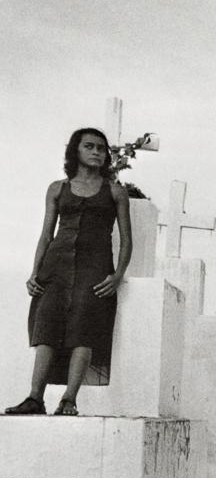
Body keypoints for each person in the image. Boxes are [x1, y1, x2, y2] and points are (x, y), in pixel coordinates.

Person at [5, 128, 131, 417]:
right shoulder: (57, 188)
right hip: (56, 267)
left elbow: (126, 239)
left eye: (101, 148)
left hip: (95, 268)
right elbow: (46, 234)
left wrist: (117, 275)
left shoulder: (114, 191)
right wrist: (34, 273)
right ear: (76, 151)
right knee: (46, 327)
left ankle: (69, 400)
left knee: (83, 330)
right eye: (90, 146)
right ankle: (34, 398)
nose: (97, 152)